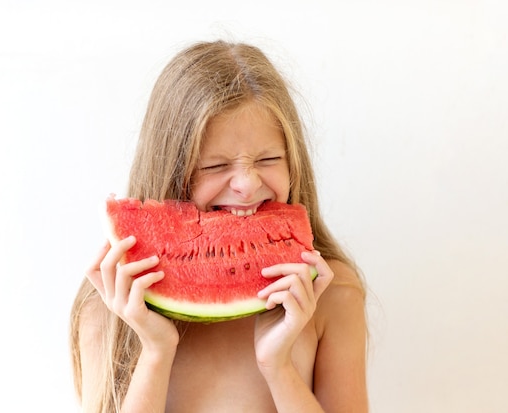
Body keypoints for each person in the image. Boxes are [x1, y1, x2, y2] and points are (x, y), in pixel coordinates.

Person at [70, 40, 368, 412]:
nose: (246, 183)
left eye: (269, 158)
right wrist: (155, 353)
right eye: (215, 166)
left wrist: (278, 367)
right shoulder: (107, 309)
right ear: (171, 172)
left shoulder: (334, 294)